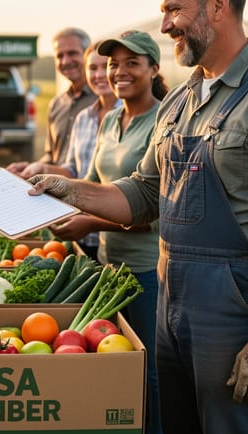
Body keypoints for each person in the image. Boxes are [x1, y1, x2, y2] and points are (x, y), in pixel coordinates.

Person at [29, 0, 248, 434]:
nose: (166, 25)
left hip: (234, 310)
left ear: (218, 5)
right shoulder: (182, 99)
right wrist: (71, 190)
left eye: (175, 10)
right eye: (165, 11)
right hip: (172, 298)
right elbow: (144, 193)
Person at [49, 30, 166, 432]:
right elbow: (97, 185)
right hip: (108, 267)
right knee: (114, 366)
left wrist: (87, 221)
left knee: (149, 371)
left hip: (148, 270)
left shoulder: (162, 122)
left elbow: (152, 209)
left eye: (132, 62)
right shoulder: (111, 118)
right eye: (114, 64)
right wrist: (55, 201)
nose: (119, 72)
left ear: (154, 68)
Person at [13, 44, 120, 258]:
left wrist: (91, 222)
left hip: (116, 233)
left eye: (106, 67)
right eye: (92, 69)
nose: (99, 75)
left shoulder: (132, 117)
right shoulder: (84, 118)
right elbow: (71, 170)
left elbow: (143, 200)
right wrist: (39, 171)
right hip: (80, 229)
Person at [7, 27, 98, 173]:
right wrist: (29, 167)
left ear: (88, 55)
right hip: (54, 186)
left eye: (72, 53)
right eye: (59, 56)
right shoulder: (56, 104)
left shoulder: (104, 102)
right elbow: (51, 156)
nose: (66, 61)